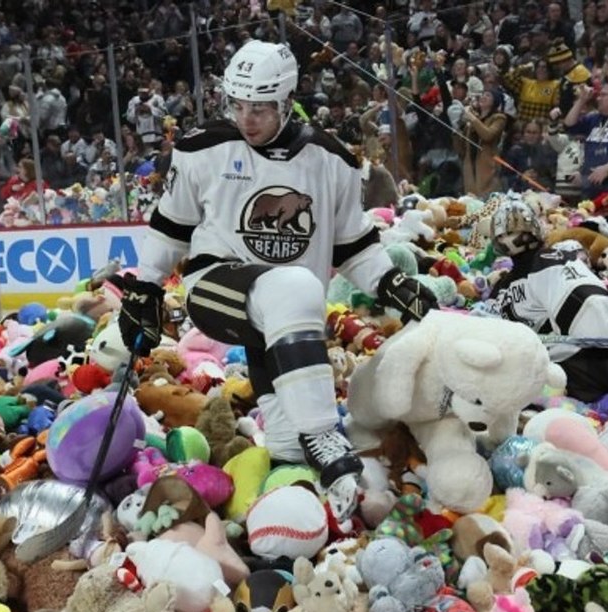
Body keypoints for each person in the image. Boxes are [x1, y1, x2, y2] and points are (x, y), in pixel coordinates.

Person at [121, 40, 437, 513]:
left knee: (288, 442)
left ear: (288, 102)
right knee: (294, 286)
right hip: (217, 287)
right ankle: (325, 436)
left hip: (285, 317)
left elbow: (352, 244)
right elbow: (172, 227)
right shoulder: (204, 149)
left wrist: (392, 283)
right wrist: (145, 288)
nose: (247, 118)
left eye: (261, 108)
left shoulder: (331, 161)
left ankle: (296, 511)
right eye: (238, 105)